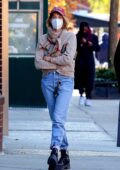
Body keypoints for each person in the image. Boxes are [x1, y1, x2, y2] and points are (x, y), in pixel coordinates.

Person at [35, 7, 76, 170]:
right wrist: (54, 61)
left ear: (63, 20)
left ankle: (54, 151)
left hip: (65, 79)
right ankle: (65, 155)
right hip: (47, 81)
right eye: (54, 17)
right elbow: (38, 63)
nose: (56, 19)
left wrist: (49, 58)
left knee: (58, 117)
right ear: (49, 20)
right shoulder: (42, 39)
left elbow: (68, 59)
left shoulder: (70, 37)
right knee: (56, 118)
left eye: (59, 17)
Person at [75, 22, 100, 106]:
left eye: (86, 28)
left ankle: (89, 97)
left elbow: (97, 48)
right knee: (80, 78)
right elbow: (75, 48)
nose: (84, 30)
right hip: (80, 61)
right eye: (83, 28)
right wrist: (81, 43)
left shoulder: (93, 37)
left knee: (89, 79)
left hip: (89, 61)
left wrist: (91, 44)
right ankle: (81, 95)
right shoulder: (77, 37)